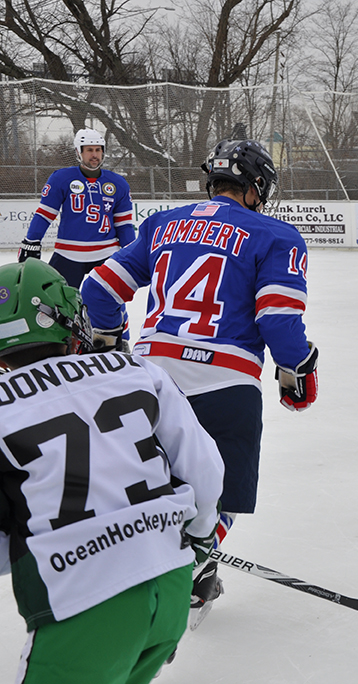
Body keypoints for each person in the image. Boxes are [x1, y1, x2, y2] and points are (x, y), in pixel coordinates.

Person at [80, 138, 319, 627]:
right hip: (224, 384)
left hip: (149, 380)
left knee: (148, 480)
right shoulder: (276, 235)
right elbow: (277, 321)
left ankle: (137, 570)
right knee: (219, 494)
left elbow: (98, 288)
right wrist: (298, 372)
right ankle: (192, 572)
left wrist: (109, 338)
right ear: (255, 186)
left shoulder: (163, 223)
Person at [0, 259, 223, 684]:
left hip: (84, 603)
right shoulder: (135, 369)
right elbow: (204, 468)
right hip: (170, 588)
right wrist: (200, 535)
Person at [19, 128, 136, 288]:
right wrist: (32, 239)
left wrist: (132, 250)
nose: (94, 155)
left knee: (110, 299)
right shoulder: (61, 178)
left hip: (106, 252)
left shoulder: (118, 183)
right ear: (78, 152)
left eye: (98, 150)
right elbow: (45, 215)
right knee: (56, 298)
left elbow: (123, 224)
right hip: (68, 252)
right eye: (89, 150)